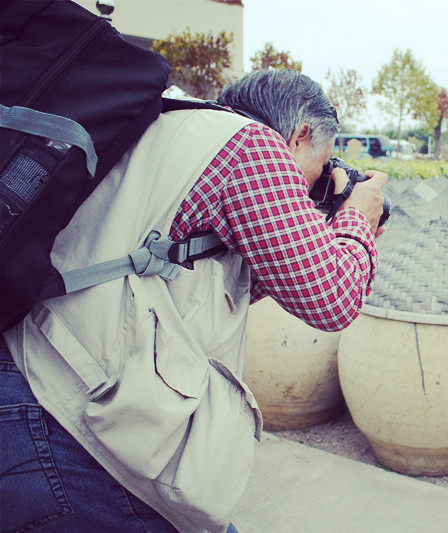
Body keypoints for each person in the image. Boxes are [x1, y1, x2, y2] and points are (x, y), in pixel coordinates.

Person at [0, 69, 387, 532]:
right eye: (321, 166)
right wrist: (358, 218)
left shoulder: (182, 133)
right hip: (66, 422)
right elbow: (331, 300)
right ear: (301, 133)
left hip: (37, 387)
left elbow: (217, 277)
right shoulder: (252, 147)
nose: (312, 185)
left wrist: (328, 228)